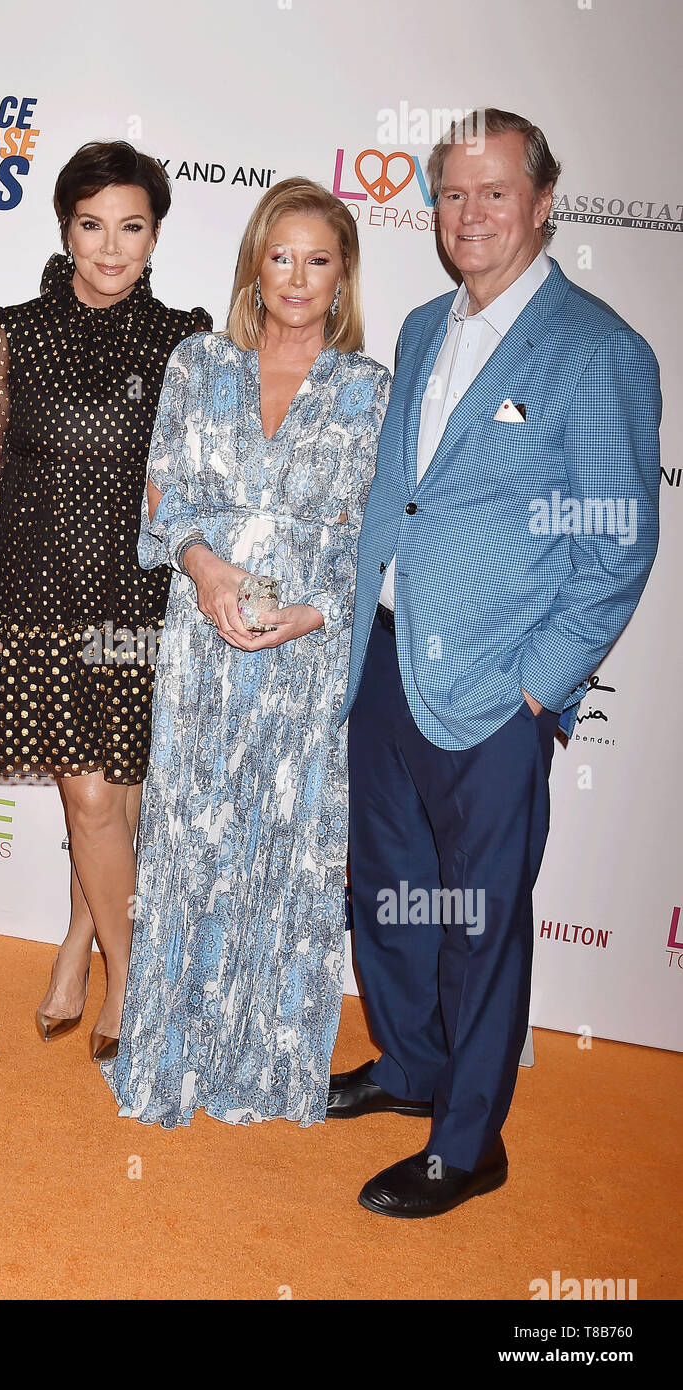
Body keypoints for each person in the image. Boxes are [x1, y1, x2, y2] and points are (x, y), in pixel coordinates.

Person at [334, 109, 661, 1216]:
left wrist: (535, 686)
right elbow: (409, 499)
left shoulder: (597, 350)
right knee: (384, 891)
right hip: (380, 662)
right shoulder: (423, 326)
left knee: (475, 916)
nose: (466, 216)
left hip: (490, 691)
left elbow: (615, 541)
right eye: (449, 194)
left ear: (540, 202)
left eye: (491, 193)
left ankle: (468, 1141)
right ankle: (412, 1064)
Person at [101, 178, 390, 1126]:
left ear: (342, 276)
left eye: (318, 260)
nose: (298, 278)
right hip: (200, 641)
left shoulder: (369, 390)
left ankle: (261, 1069)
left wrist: (311, 612)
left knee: (283, 852)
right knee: (187, 846)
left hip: (303, 663)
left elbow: (371, 539)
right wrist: (210, 575)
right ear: (254, 269)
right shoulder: (198, 364)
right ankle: (171, 1059)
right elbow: (166, 495)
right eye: (281, 257)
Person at [0, 141, 210, 1060]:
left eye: (130, 227)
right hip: (37, 603)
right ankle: (132, 981)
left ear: (155, 235)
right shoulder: (12, 331)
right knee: (91, 801)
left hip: (140, 607)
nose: (109, 247)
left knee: (118, 805)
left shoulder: (187, 341)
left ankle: (75, 945)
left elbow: (201, 479)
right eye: (92, 225)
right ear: (65, 227)